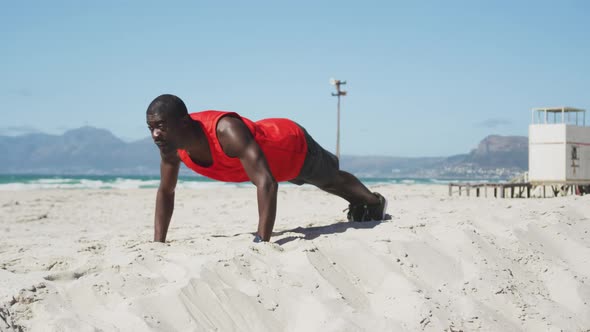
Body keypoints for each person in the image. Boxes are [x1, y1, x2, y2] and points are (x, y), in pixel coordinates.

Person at [146, 94, 387, 243]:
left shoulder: (226, 130)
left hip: (291, 146)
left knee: (330, 179)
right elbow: (166, 191)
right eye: (151, 127)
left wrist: (263, 240)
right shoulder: (170, 145)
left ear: (184, 122)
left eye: (161, 126)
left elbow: (266, 182)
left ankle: (373, 202)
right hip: (272, 165)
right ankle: (359, 201)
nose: (155, 134)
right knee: (324, 179)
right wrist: (158, 243)